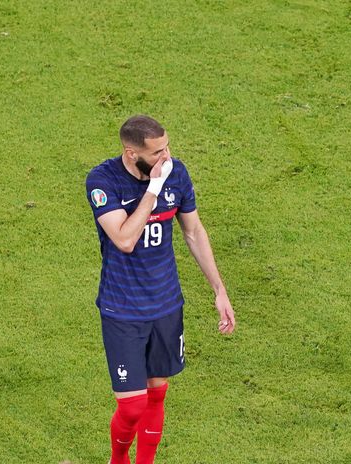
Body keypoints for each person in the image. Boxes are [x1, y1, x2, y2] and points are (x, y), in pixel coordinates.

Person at [86, 115, 236, 464]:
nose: (166, 157)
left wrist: (219, 290)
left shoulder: (176, 173)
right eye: (157, 153)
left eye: (167, 148)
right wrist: (153, 190)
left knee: (156, 395)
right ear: (131, 153)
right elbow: (124, 239)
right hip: (122, 309)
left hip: (166, 305)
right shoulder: (103, 181)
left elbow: (193, 232)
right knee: (132, 406)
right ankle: (118, 459)